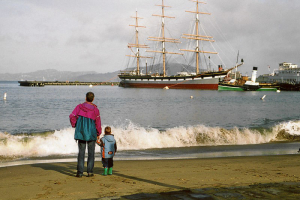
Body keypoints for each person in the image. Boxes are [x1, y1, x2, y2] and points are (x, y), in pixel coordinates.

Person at [69, 92, 102, 177]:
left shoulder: (79, 107)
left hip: (81, 133)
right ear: (93, 99)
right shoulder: (95, 109)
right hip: (92, 133)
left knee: (81, 153)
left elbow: (71, 116)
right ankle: (90, 172)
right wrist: (98, 133)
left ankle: (80, 172)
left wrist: (75, 125)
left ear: (85, 98)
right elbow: (98, 123)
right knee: (91, 153)